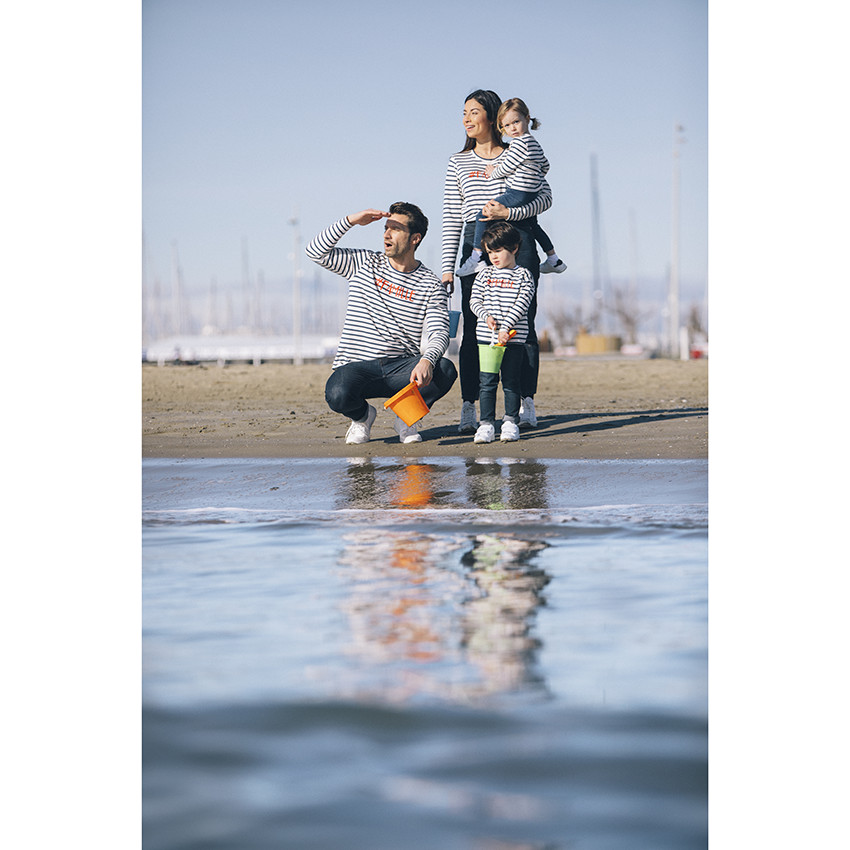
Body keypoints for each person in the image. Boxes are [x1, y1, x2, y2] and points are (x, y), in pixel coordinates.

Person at [441, 89, 551, 434]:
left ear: (492, 117)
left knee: (523, 325)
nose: (467, 119)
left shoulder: (519, 149)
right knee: (476, 326)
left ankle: (524, 401)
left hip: (520, 244)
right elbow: (451, 217)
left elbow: (546, 195)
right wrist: (447, 266)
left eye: (474, 112)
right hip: (475, 250)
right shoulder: (457, 163)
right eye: (463, 113)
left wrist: (511, 211)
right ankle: (470, 405)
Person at [306, 202, 457, 445]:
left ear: (414, 238)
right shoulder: (363, 263)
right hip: (357, 366)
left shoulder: (430, 283)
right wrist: (352, 220)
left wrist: (427, 360)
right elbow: (315, 251)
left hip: (401, 368)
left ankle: (406, 417)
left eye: (395, 229)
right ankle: (362, 418)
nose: (386, 234)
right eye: (386, 228)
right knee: (337, 394)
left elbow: (440, 330)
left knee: (445, 370)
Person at [457, 97, 566, 278]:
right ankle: (554, 259)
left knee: (482, 213)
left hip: (516, 224)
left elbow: (544, 195)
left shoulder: (517, 145)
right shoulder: (533, 144)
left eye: (474, 112)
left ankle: (476, 258)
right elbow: (545, 166)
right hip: (504, 219)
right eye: (508, 125)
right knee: (535, 226)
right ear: (501, 126)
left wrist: (494, 172)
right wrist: (534, 176)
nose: (512, 128)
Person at [468, 222, 535, 443]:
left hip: (514, 340)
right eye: (490, 252)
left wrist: (506, 328)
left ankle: (510, 422)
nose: (494, 257)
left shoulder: (524, 275)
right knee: (486, 382)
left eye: (498, 251)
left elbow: (522, 304)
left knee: (511, 381)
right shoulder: (483, 274)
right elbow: (474, 300)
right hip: (487, 340)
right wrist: (485, 316)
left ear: (514, 248)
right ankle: (486, 424)